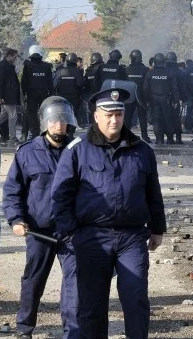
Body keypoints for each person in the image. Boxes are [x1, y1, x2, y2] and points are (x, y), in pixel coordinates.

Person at [51, 84, 166, 339]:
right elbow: (61, 195)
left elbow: (152, 192)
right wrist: (70, 233)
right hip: (91, 238)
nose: (114, 120)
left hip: (131, 237)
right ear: (96, 116)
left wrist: (158, 228)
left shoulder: (142, 150)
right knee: (91, 306)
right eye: (108, 114)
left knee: (135, 299)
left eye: (119, 114)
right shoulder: (77, 150)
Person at [3, 96, 79, 339]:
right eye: (55, 120)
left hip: (71, 233)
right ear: (45, 123)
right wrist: (16, 220)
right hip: (38, 231)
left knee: (74, 284)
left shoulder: (78, 150)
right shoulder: (27, 153)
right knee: (33, 281)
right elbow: (13, 190)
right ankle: (25, 327)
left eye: (64, 120)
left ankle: (73, 331)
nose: (60, 125)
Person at [144, 53, 179, 144]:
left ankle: (159, 139)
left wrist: (147, 100)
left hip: (153, 99)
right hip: (167, 99)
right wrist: (175, 100)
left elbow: (145, 88)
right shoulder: (169, 72)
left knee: (157, 119)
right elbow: (174, 87)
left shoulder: (150, 73)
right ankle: (170, 139)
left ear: (154, 62)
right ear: (164, 61)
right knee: (168, 118)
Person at [20, 45, 53, 141]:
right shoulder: (47, 66)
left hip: (31, 94)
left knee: (30, 114)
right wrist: (50, 94)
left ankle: (31, 133)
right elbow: (50, 82)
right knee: (45, 114)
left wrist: (24, 92)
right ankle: (44, 132)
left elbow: (23, 81)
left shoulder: (27, 66)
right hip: (44, 93)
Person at [126, 49, 150, 141]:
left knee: (128, 117)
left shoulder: (127, 70)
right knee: (142, 117)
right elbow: (147, 85)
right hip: (142, 97)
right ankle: (145, 136)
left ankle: (126, 136)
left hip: (129, 96)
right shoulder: (145, 69)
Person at [83, 52, 103, 125]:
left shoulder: (88, 71)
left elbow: (85, 84)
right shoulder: (102, 69)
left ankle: (93, 130)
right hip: (101, 95)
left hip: (91, 96)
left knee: (92, 115)